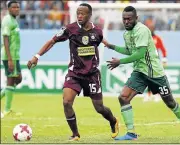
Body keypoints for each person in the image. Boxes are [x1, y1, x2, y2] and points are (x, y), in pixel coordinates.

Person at [27, 3, 118, 141]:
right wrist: (37, 56)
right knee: (66, 102)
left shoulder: (98, 31)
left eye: (83, 13)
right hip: (74, 73)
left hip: (92, 75)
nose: (80, 16)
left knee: (99, 108)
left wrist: (110, 47)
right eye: (78, 13)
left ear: (89, 15)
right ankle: (75, 134)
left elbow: (98, 42)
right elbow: (52, 41)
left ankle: (113, 121)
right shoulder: (70, 29)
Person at [103, 6, 180, 140]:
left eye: (129, 19)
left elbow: (140, 54)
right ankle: (131, 133)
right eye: (124, 19)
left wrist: (120, 62)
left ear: (136, 18)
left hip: (155, 73)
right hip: (140, 72)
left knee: (170, 102)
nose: (126, 21)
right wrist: (111, 46)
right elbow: (130, 51)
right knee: (123, 97)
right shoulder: (126, 33)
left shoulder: (142, 30)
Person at [1, 0, 22, 118]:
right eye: (14, 7)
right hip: (10, 56)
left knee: (18, 79)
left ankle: (7, 107)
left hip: (15, 56)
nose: (16, 9)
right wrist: (9, 59)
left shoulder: (14, 20)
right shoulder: (7, 20)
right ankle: (7, 110)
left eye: (18, 7)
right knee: (10, 80)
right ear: (9, 9)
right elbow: (5, 39)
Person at [144, 20, 168, 102]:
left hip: (156, 62)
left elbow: (163, 50)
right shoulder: (144, 39)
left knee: (157, 79)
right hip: (146, 61)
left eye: (151, 27)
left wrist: (164, 60)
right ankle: (149, 95)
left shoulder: (157, 38)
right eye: (148, 27)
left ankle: (157, 95)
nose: (150, 29)